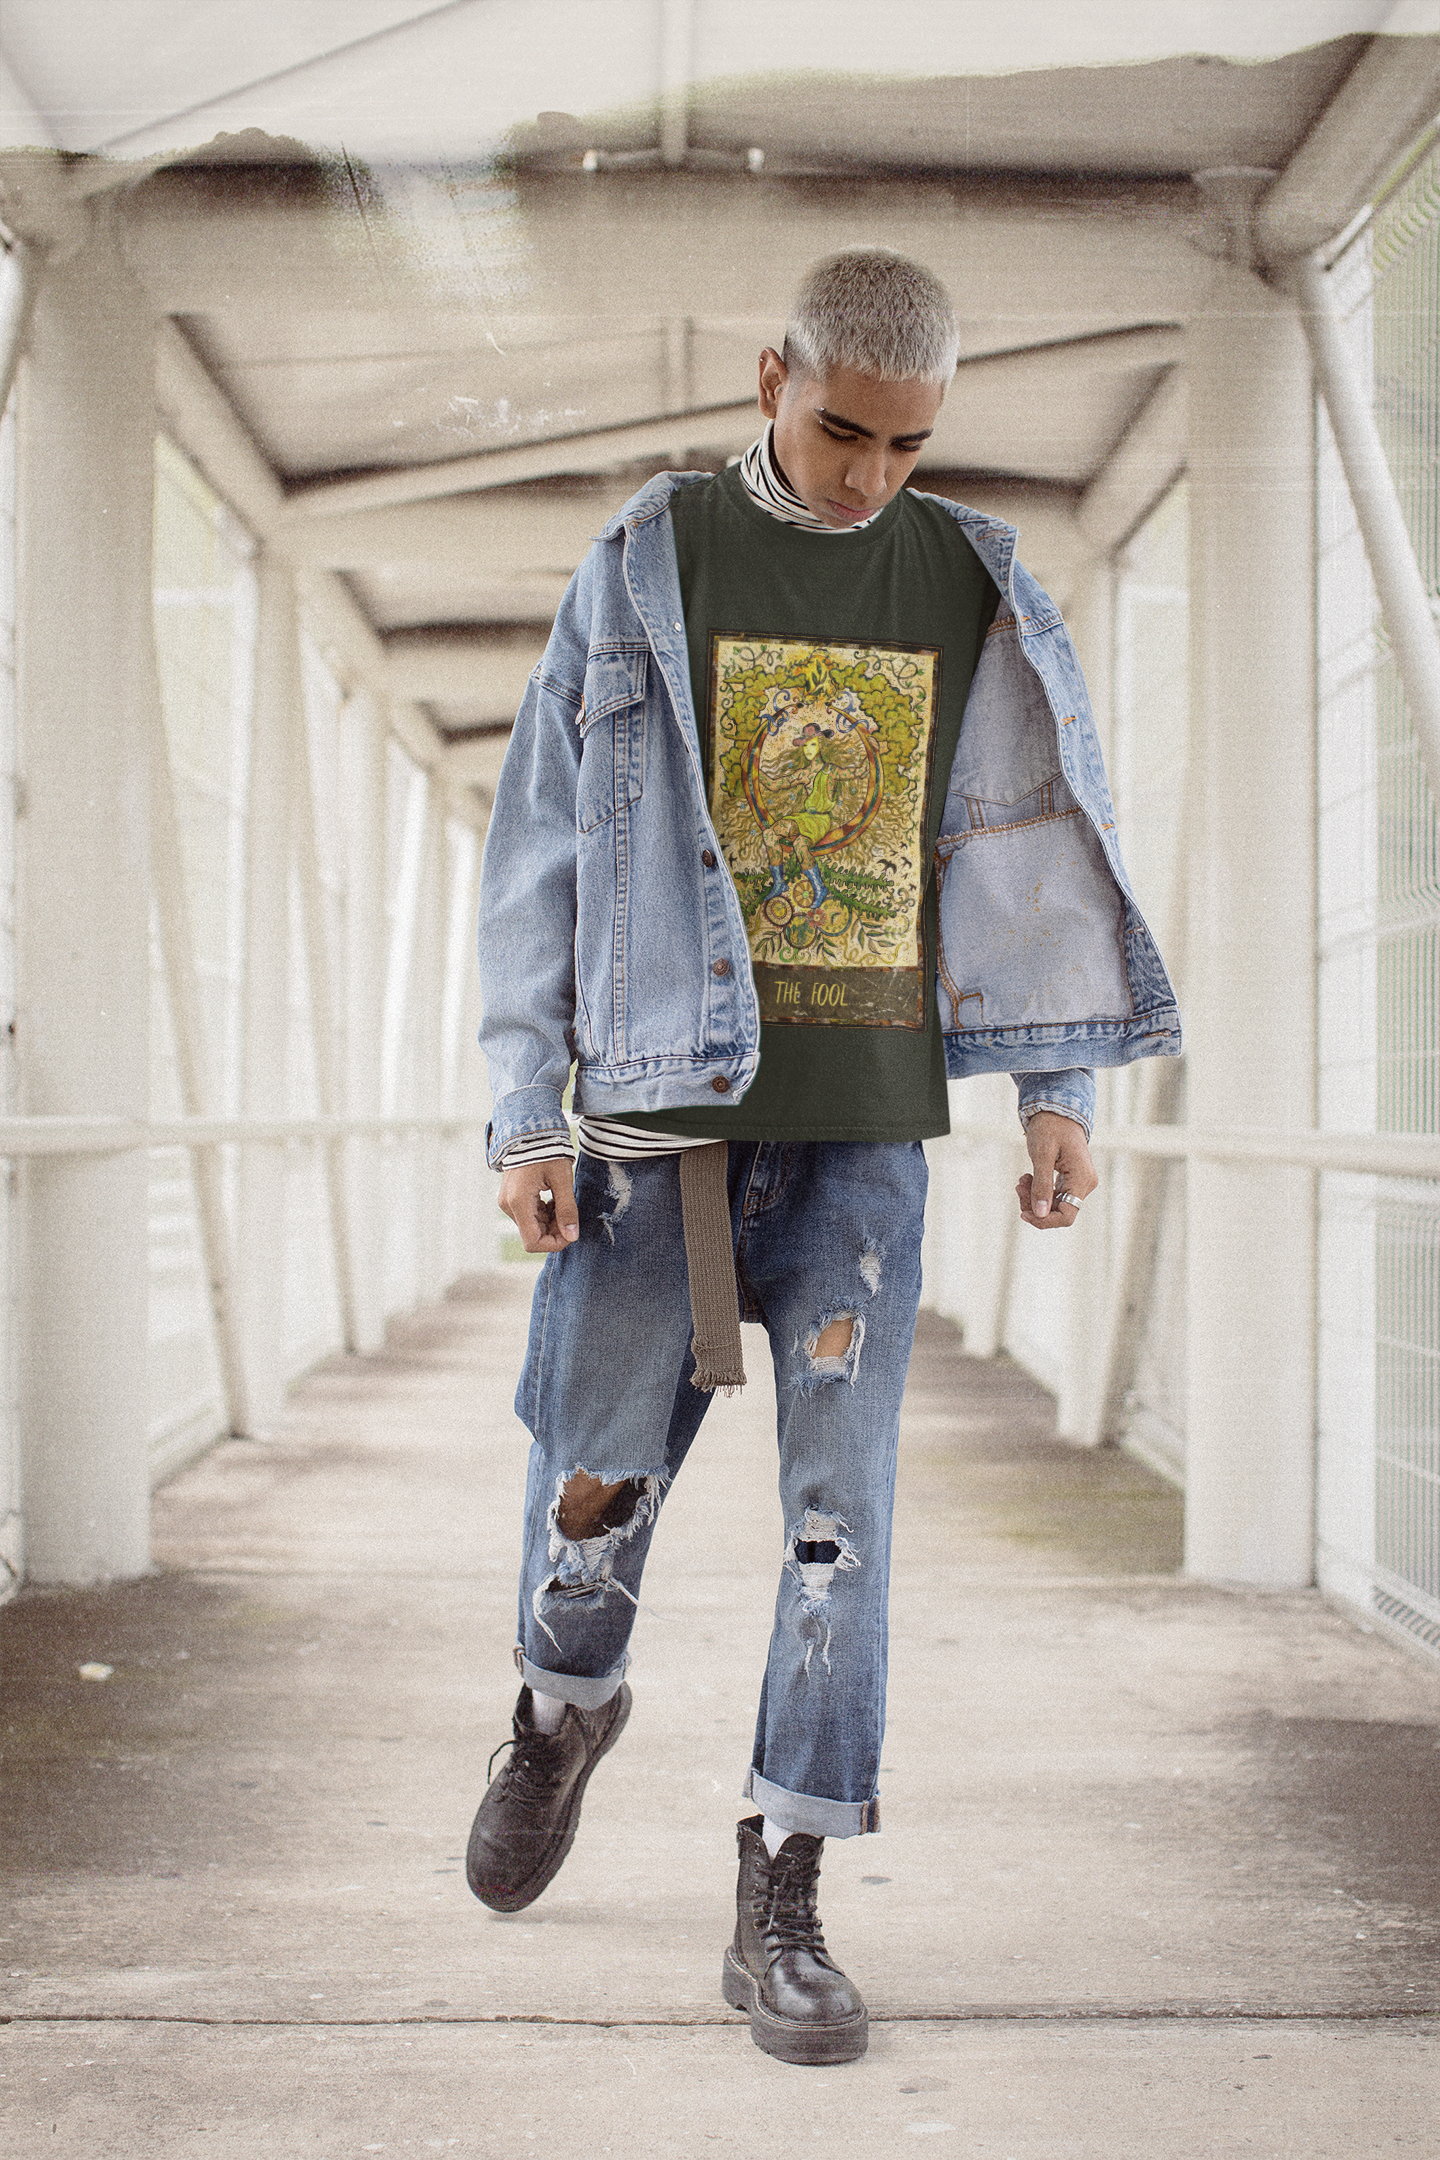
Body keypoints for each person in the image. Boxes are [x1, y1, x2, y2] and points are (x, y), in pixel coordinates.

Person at [467, 250, 1179, 2067]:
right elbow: (540, 846)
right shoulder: (647, 558)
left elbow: (1017, 850)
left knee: (838, 1531)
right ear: (772, 374)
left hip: (863, 1145)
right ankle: (561, 1709)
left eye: (909, 446)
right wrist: (523, 1111)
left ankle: (786, 1881)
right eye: (841, 430)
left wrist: (1058, 1097)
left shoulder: (970, 578)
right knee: (592, 1489)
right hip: (648, 1135)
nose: (870, 478)